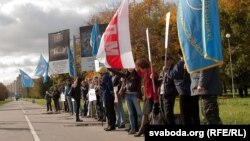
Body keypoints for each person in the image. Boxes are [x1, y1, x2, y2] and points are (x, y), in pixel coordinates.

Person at [166, 50, 200, 125]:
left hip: (184, 91)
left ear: (179, 55)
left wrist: (167, 70)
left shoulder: (180, 63)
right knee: (195, 114)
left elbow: (173, 75)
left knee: (185, 115)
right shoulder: (194, 62)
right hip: (194, 90)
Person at [134, 58, 159, 137]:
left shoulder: (150, 71)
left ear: (142, 66)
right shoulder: (144, 72)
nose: (138, 68)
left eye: (138, 66)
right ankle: (143, 130)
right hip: (147, 95)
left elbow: (155, 82)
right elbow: (138, 73)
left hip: (151, 96)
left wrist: (153, 77)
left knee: (145, 114)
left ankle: (141, 130)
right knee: (146, 113)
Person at [159, 56, 178, 125]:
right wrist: (153, 79)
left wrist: (167, 71)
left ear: (171, 60)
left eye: (167, 59)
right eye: (164, 60)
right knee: (163, 112)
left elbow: (173, 79)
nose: (165, 61)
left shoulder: (174, 69)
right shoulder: (162, 71)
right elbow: (160, 82)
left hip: (169, 93)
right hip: (162, 93)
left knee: (168, 113)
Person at [98, 67, 116, 131]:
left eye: (99, 73)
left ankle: (110, 125)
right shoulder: (105, 76)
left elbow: (109, 85)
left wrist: (111, 92)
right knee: (110, 111)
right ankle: (112, 125)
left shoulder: (105, 77)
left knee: (109, 111)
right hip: (107, 95)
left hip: (107, 96)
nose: (99, 74)